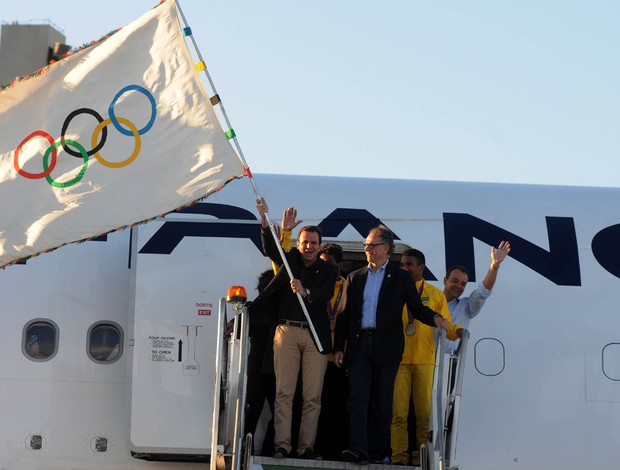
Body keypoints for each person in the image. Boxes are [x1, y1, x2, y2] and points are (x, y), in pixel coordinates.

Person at [333, 225, 450, 465]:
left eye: (371, 245)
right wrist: (338, 347)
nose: (367, 249)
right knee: (357, 398)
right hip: (359, 344)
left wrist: (435, 318)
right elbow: (345, 315)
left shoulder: (401, 277)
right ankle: (358, 449)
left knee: (383, 401)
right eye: (366, 246)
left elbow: (416, 308)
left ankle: (376, 452)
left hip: (386, 346)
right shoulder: (355, 277)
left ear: (385, 248)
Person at [256, 198, 338, 460]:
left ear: (319, 245)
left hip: (315, 336)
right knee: (284, 393)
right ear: (300, 244)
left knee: (312, 396)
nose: (309, 247)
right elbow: (271, 250)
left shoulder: (329, 270)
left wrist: (307, 291)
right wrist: (266, 219)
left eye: (314, 243)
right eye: (305, 243)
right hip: (287, 332)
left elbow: (325, 293)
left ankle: (306, 447)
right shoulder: (290, 260)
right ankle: (283, 445)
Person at [391, 249, 462, 467]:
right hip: (398, 360)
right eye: (402, 264)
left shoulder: (434, 293)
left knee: (424, 416)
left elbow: (446, 323)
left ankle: (420, 458)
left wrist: (458, 331)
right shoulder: (394, 290)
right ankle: (399, 458)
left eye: (409, 264)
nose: (404, 268)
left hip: (424, 360)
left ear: (421, 268)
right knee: (398, 414)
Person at [444, 241, 511, 353]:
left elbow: (482, 292)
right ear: (445, 281)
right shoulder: (429, 299)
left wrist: (494, 265)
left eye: (463, 284)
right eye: (455, 281)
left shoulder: (466, 308)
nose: (458, 286)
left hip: (445, 365)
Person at [315, 243, 349, 461]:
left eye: (329, 263)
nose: (325, 267)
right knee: (316, 405)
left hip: (340, 356)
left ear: (340, 265)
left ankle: (336, 451)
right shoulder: (316, 285)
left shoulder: (350, 286)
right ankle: (316, 449)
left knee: (339, 406)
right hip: (316, 355)